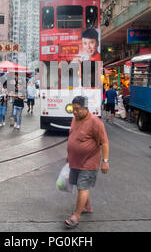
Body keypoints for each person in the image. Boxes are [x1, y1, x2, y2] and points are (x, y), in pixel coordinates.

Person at [65, 96, 109, 229]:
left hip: (89, 162)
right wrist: (69, 155)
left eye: (77, 109)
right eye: (73, 109)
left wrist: (105, 161)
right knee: (80, 185)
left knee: (82, 187)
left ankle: (76, 217)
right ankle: (87, 207)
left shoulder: (95, 122)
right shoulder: (74, 119)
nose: (74, 112)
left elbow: (105, 142)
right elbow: (72, 137)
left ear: (86, 108)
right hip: (75, 161)